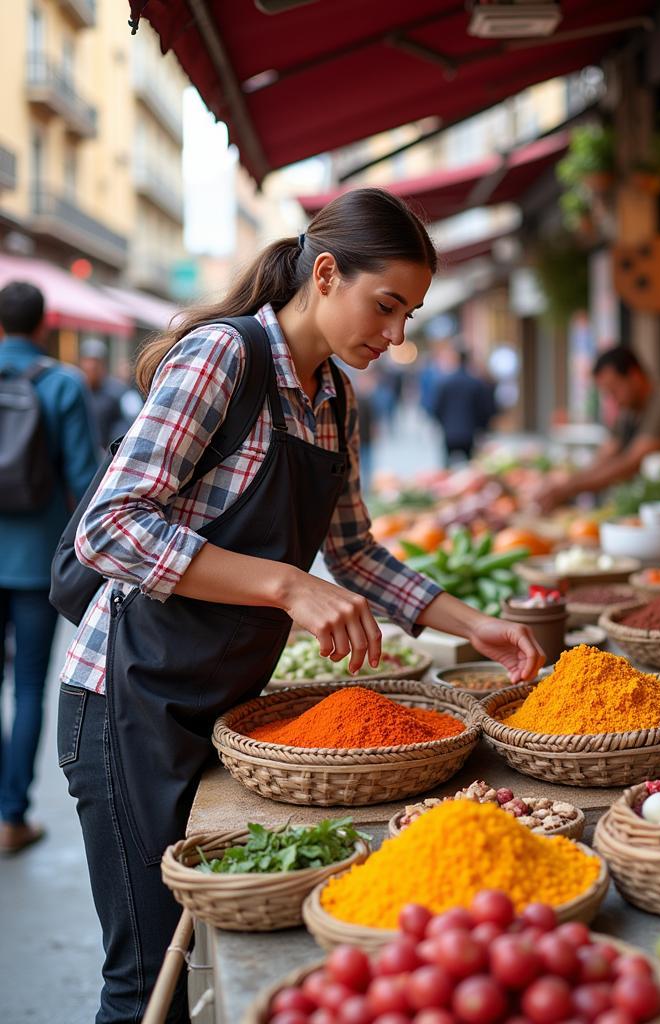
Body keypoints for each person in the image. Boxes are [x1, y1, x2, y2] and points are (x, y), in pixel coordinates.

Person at [57, 189, 545, 1023]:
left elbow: (354, 554)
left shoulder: (334, 400)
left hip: (221, 703)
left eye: (411, 314)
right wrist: (285, 583)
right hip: (126, 699)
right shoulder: (224, 358)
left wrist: (474, 624)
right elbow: (110, 527)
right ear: (326, 274)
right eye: (386, 306)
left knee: (195, 957)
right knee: (145, 981)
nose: (396, 338)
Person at [0, 282, 97, 853]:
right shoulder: (60, 384)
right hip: (37, 562)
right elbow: (87, 485)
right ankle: (12, 816)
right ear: (44, 325)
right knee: (30, 685)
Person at [534, 345, 660, 512]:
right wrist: (564, 483)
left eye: (614, 390)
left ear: (634, 376)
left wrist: (569, 488)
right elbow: (606, 455)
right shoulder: (628, 410)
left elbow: (633, 462)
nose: (613, 400)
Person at [431, 348, 497, 465]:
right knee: (470, 466)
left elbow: (436, 407)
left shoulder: (445, 382)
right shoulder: (475, 383)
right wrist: (482, 427)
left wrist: (443, 424)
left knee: (447, 467)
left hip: (449, 432)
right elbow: (484, 408)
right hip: (469, 432)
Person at [79, 336, 143, 450]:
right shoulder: (76, 391)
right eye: (87, 362)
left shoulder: (119, 391)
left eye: (95, 363)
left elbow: (132, 421)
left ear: (103, 365)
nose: (91, 367)